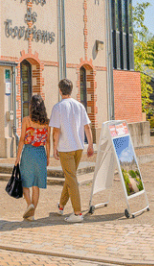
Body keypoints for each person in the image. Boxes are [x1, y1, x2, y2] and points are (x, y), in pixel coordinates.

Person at [50, 78, 94, 223]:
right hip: (78, 147)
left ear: (60, 90)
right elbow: (87, 127)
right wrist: (90, 144)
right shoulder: (79, 106)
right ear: (71, 89)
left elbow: (56, 131)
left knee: (71, 178)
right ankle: (61, 205)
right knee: (70, 177)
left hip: (65, 148)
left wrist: (54, 147)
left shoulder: (58, 107)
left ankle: (77, 213)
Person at [14, 94, 51, 221]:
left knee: (25, 183)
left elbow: (22, 140)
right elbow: (48, 141)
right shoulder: (47, 122)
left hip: (28, 152)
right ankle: (32, 214)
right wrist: (48, 157)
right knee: (36, 185)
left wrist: (17, 157)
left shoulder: (26, 120)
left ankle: (29, 205)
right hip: (41, 153)